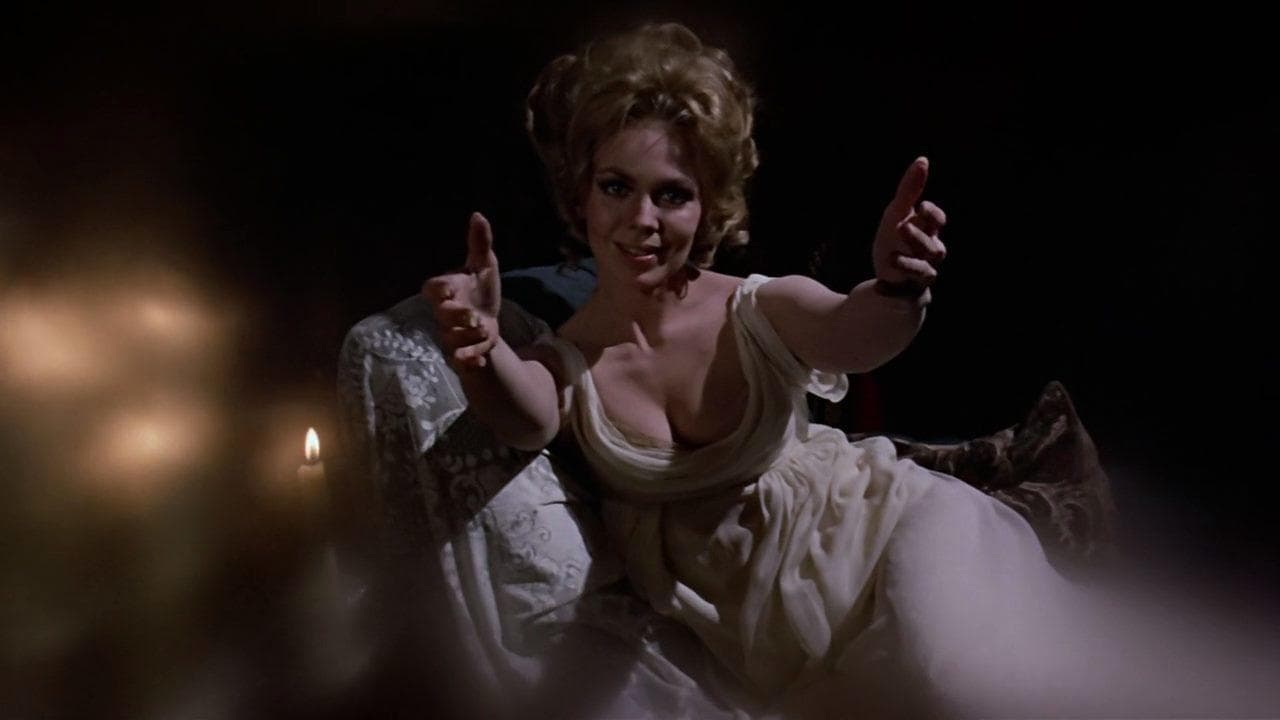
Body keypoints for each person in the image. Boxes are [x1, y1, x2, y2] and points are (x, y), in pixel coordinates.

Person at [423, 23, 1279, 719]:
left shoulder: (754, 306)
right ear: (581, 195)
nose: (642, 219)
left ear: (708, 203)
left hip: (888, 541)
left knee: (970, 685)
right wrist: (482, 345)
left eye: (672, 193)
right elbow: (524, 416)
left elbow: (855, 333)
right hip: (779, 643)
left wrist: (898, 283)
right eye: (617, 187)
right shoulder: (567, 357)